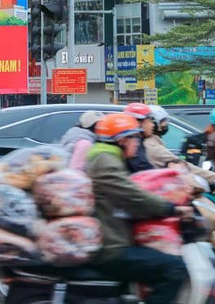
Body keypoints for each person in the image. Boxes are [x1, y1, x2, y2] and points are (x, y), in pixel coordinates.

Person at [85, 113, 188, 304]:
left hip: (116, 234)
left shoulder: (110, 158)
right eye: (134, 138)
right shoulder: (106, 162)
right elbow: (132, 196)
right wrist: (170, 208)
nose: (137, 143)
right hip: (110, 247)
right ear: (122, 140)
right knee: (175, 267)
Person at [141, 106, 215, 187]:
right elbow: (184, 166)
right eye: (163, 121)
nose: (166, 124)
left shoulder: (154, 143)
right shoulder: (152, 147)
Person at [122, 103, 155, 172]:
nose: (153, 125)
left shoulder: (134, 139)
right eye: (150, 121)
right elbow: (142, 167)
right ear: (139, 123)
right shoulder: (132, 142)